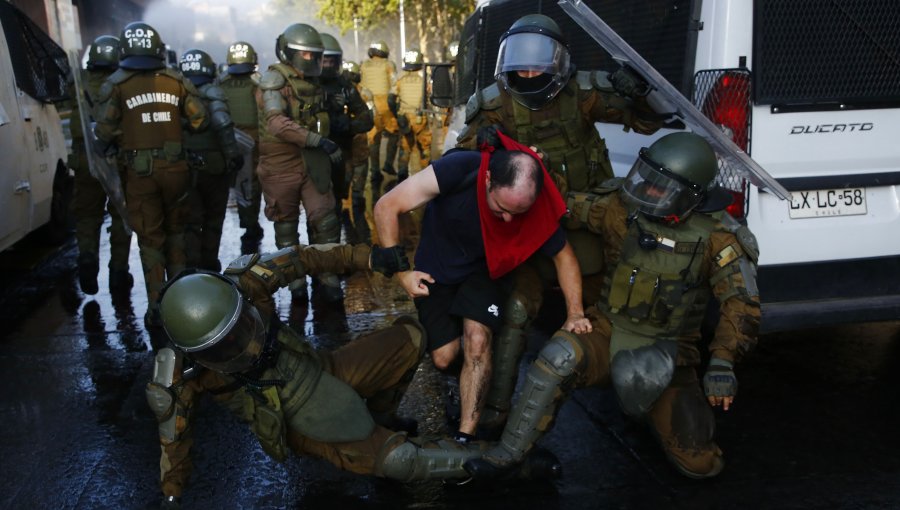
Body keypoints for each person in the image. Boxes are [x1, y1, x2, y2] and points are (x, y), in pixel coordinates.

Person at [148, 243, 552, 508]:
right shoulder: (179, 374)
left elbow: (308, 257)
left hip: (323, 370)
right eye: (225, 346)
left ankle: (380, 422)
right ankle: (497, 461)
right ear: (196, 354)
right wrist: (170, 498)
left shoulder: (246, 284)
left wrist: (371, 259)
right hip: (296, 419)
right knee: (402, 460)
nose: (246, 345)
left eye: (243, 327)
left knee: (411, 338)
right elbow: (174, 442)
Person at [464, 132, 761, 480]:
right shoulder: (620, 207)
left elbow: (741, 305)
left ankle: (659, 414)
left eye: (661, 187)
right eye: (647, 178)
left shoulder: (720, 238)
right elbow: (563, 207)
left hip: (670, 350)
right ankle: (510, 453)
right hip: (607, 327)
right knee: (558, 357)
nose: (647, 190)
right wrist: (534, 170)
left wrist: (723, 362)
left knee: (700, 465)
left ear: (690, 196)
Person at [456, 13, 666, 432]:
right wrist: (482, 151)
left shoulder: (583, 93)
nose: (528, 73)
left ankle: (651, 390)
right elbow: (465, 166)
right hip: (528, 222)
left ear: (559, 62)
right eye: (520, 63)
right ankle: (495, 408)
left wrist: (640, 94)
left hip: (582, 214)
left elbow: (649, 121)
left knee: (628, 298)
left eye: (538, 63)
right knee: (517, 310)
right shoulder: (494, 103)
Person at [372, 134, 591, 442]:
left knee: (477, 340)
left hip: (487, 270)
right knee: (444, 357)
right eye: (501, 207)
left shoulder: (532, 202)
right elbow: (386, 207)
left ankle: (464, 437)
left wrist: (575, 313)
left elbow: (564, 256)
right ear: (488, 179)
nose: (506, 218)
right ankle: (468, 378)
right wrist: (402, 274)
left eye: (517, 214)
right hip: (437, 269)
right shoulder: (459, 169)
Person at [94, 21, 209, 328]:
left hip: (139, 174)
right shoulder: (177, 81)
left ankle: (158, 309)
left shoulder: (117, 84)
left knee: (151, 240)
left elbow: (103, 132)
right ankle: (183, 302)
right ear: (158, 49)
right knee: (177, 234)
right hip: (177, 170)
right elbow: (200, 121)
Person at [255, 23, 344, 302]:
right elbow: (277, 123)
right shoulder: (274, 81)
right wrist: (317, 140)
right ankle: (295, 285)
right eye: (306, 55)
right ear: (289, 53)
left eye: (315, 55)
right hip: (281, 162)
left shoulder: (313, 81)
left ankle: (328, 278)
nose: (313, 61)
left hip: (313, 161)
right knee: (286, 227)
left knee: (326, 221)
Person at [69, 34, 133, 295]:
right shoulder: (124, 81)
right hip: (117, 156)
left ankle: (87, 258)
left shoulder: (77, 81)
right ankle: (118, 272)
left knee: (87, 215)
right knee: (121, 216)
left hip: (85, 156)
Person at [179, 48, 244, 272]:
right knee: (214, 219)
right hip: (214, 166)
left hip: (185, 166)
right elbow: (223, 124)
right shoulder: (212, 93)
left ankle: (191, 266)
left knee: (191, 220)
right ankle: (209, 264)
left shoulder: (176, 92)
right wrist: (233, 156)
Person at [319, 34, 374, 244]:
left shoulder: (345, 86)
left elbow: (366, 118)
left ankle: (334, 255)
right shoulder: (305, 86)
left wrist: (348, 125)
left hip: (342, 151)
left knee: (336, 203)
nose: (328, 65)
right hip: (312, 153)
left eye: (332, 61)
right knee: (318, 210)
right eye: (324, 60)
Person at [218, 40, 265, 255]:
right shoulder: (258, 84)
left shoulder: (220, 83)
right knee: (250, 185)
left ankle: (248, 226)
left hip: (227, 138)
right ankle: (250, 226)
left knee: (233, 184)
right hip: (253, 139)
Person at [359, 40, 398, 186]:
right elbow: (394, 85)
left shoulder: (363, 64)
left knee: (373, 138)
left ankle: (374, 171)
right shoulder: (389, 64)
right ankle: (388, 163)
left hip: (368, 103)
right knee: (394, 132)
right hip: (385, 104)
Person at [394, 48, 431, 183]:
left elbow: (392, 99)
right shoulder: (424, 80)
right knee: (425, 148)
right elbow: (431, 97)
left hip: (405, 118)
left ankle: (401, 176)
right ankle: (427, 177)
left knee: (405, 147)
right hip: (420, 118)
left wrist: (397, 116)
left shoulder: (400, 79)